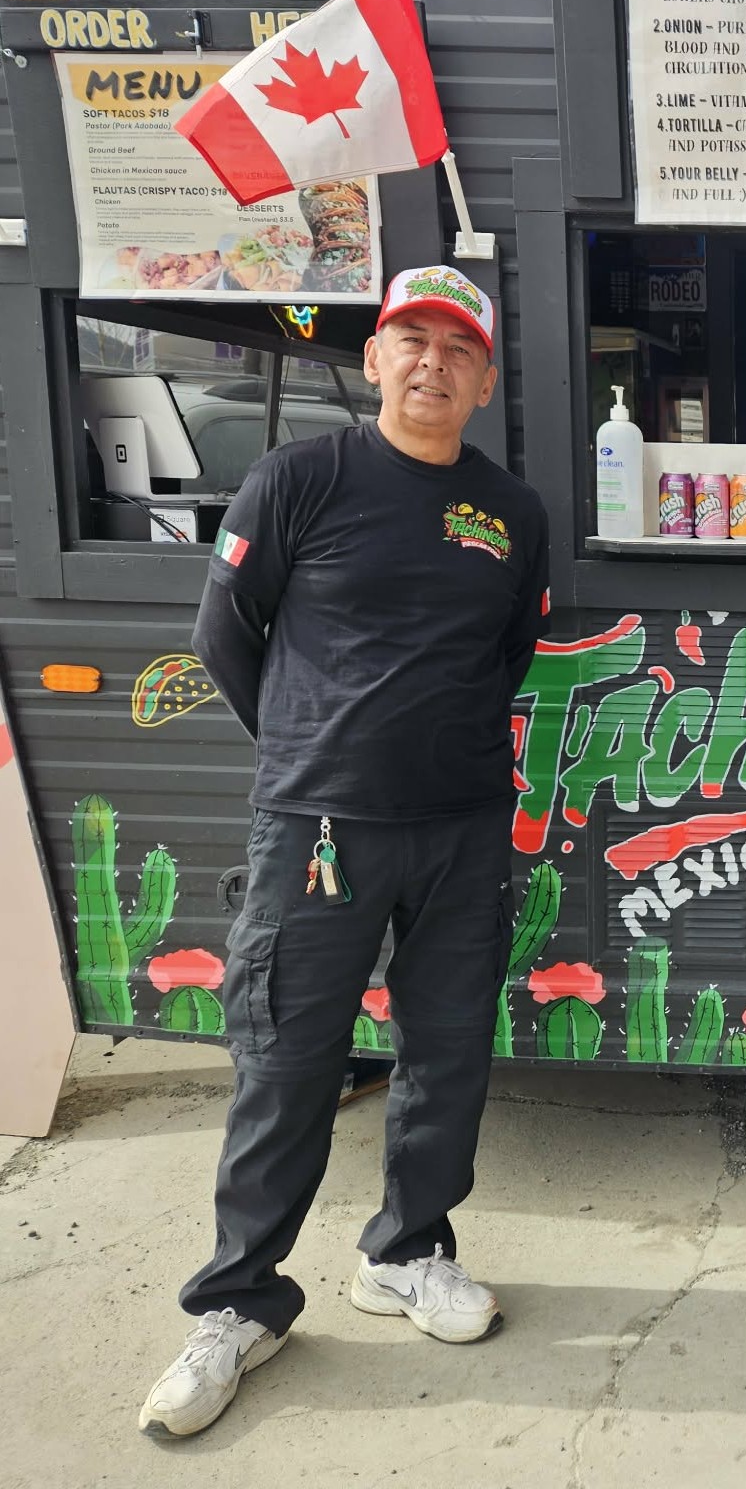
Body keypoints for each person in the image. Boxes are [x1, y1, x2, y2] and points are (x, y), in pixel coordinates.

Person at [139, 265, 551, 1439]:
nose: (431, 362)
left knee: (449, 1053)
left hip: (464, 827)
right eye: (408, 340)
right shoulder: (299, 478)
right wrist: (311, 752)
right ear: (373, 361)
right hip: (315, 829)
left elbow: (505, 656)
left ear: (482, 379)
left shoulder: (510, 512)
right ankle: (237, 1306)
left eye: (456, 348)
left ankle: (408, 1253)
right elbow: (226, 635)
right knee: (286, 1061)